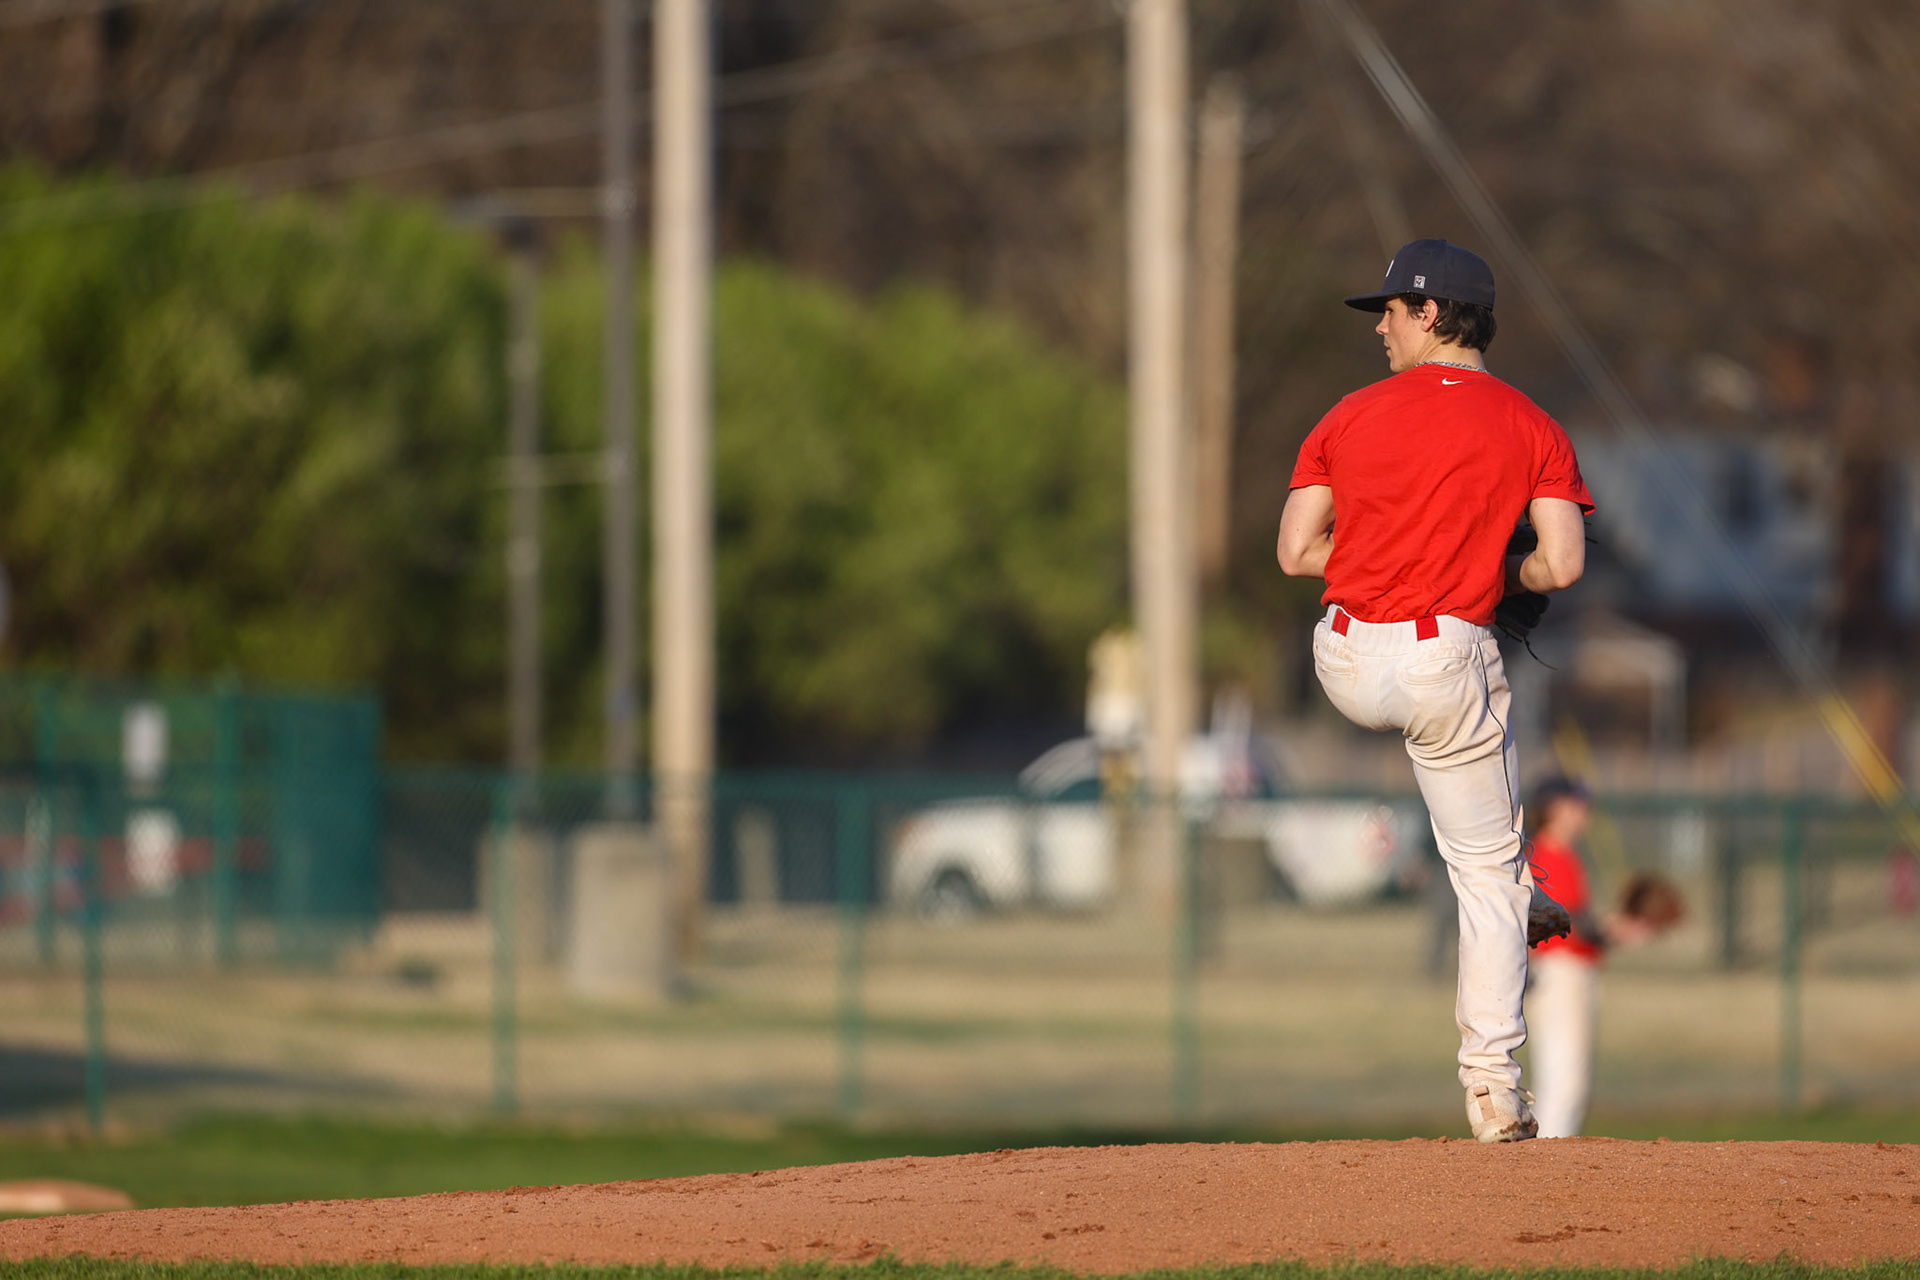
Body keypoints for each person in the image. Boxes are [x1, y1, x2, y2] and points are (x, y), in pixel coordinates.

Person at [1276, 238, 1595, 1143]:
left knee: (1485, 846)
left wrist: (1384, 560)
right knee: (1488, 877)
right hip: (1444, 657)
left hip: (1342, 658)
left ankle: (1507, 877)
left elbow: (1298, 552)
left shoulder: (1346, 416)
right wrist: (1503, 575)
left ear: (1431, 314)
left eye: (1390, 310)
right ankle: (1493, 1090)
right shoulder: (1534, 427)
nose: (1379, 326)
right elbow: (1562, 565)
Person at [1524, 776, 1656, 1138]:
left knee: (1562, 1079)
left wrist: (1616, 928)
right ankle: (1546, 1166)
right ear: (1555, 808)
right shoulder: (1550, 853)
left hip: (1563, 973)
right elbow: (1575, 926)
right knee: (1564, 1083)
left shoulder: (1557, 854)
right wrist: (1624, 932)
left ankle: (1542, 1161)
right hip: (1561, 974)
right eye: (1576, 804)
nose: (1585, 813)